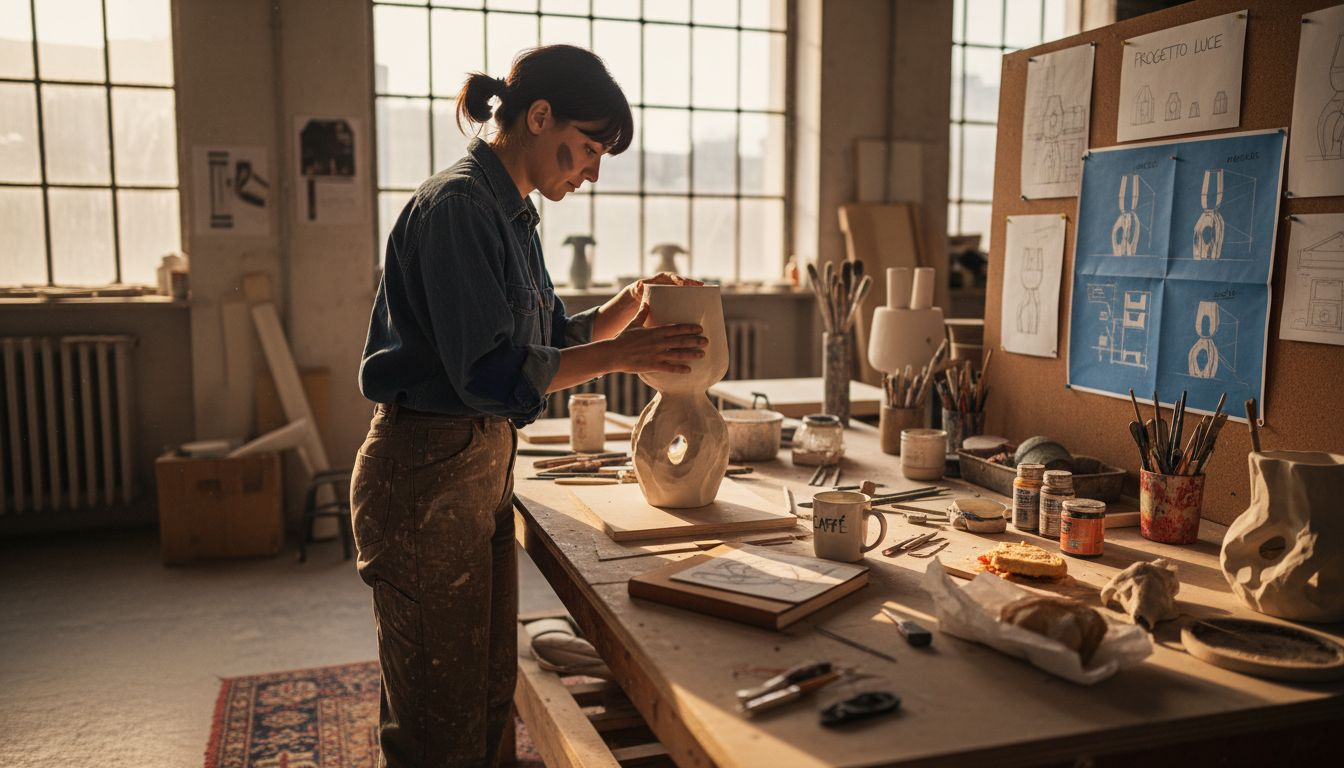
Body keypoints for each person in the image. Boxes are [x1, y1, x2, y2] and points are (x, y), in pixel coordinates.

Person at [351, 45, 706, 767]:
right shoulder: (458, 208)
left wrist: (624, 311)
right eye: (586, 148)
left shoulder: (511, 215)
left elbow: (547, 340)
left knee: (483, 696)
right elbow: (491, 371)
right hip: (424, 473)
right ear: (538, 117)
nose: (593, 171)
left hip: (473, 467)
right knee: (437, 723)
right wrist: (621, 357)